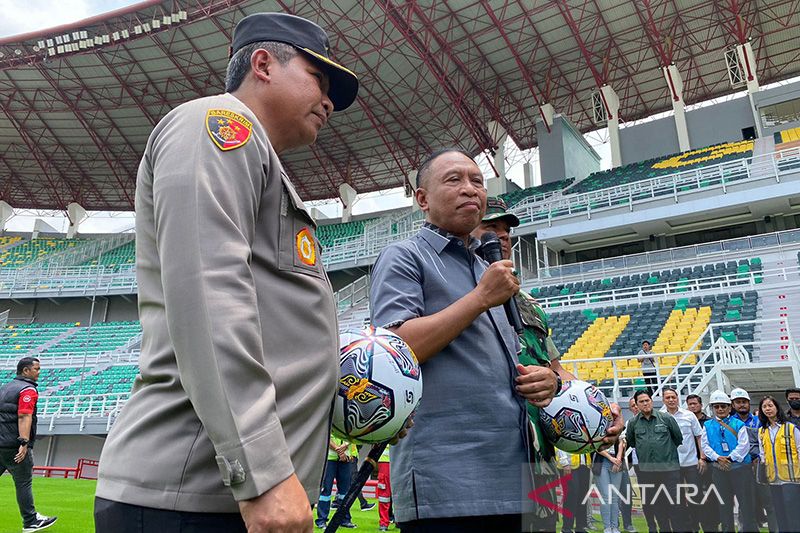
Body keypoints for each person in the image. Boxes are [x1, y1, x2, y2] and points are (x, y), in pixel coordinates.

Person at [94, 13, 359, 533]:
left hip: (224, 497)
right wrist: (260, 474)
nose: (329, 101)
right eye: (317, 79)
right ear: (263, 63)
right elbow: (209, 296)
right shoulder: (217, 124)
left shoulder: (257, 158)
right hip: (194, 498)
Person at [369, 148, 622, 532]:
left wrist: (556, 387)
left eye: (477, 181)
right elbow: (394, 350)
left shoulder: (493, 274)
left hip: (523, 483)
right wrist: (481, 298)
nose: (470, 189)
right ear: (422, 198)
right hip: (450, 487)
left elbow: (528, 366)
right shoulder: (405, 257)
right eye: (454, 179)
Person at [472, 197, 579, 531]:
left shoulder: (529, 303)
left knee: (544, 527)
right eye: (491, 228)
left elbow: (558, 368)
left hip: (539, 454)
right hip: (485, 453)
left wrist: (595, 404)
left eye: (506, 231)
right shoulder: (453, 295)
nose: (502, 237)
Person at [0, 357, 58, 532]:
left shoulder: (5, 388)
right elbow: (24, 416)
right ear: (26, 371)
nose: (39, 372)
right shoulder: (28, 390)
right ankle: (30, 520)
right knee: (23, 482)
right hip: (14, 446)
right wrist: (24, 442)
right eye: (37, 369)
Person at [700, 390, 758, 533]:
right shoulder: (707, 425)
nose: (720, 409)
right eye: (717, 406)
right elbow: (705, 446)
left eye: (723, 406)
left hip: (740, 468)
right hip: (719, 469)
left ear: (729, 407)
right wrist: (717, 458)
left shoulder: (738, 424)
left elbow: (744, 445)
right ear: (712, 408)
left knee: (746, 504)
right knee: (724, 505)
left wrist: (730, 458)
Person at [625, 389, 682, 533]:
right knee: (657, 505)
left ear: (652, 401)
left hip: (669, 470)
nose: (645, 404)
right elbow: (632, 442)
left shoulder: (666, 418)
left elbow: (678, 439)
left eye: (647, 400)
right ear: (636, 405)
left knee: (674, 504)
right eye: (641, 402)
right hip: (647, 472)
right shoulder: (632, 423)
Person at [660, 387, 705, 533]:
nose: (671, 400)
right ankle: (684, 528)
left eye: (673, 397)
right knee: (676, 500)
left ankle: (697, 525)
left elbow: (699, 436)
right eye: (668, 398)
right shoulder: (660, 417)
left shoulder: (689, 415)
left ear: (677, 398)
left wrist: (701, 458)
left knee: (695, 497)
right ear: (663, 400)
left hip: (691, 463)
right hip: (671, 466)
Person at [731, 387, 776, 531]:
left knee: (768, 501)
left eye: (744, 401)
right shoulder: (730, 422)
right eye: (738, 402)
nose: (741, 405)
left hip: (760, 465)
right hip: (740, 467)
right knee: (745, 503)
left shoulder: (760, 421)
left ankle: (775, 529)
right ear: (733, 405)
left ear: (749, 403)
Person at [757, 395, 800, 532]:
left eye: (770, 405)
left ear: (777, 407)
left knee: (793, 513)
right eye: (764, 406)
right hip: (773, 479)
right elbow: (762, 453)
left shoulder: (791, 428)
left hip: (792, 478)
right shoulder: (762, 431)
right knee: (779, 512)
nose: (767, 409)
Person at [686, 393, 718, 533]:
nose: (692, 406)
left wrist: (705, 458)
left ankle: (711, 525)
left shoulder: (710, 422)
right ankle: (694, 525)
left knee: (711, 496)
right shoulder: (686, 422)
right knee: (694, 496)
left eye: (695, 403)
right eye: (690, 404)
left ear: (701, 405)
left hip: (709, 463)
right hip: (692, 464)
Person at [315, 435, 357, 529]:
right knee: (326, 490)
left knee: (344, 492)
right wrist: (339, 450)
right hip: (330, 458)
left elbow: (352, 435)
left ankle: (345, 519)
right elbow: (326, 436)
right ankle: (322, 520)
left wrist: (345, 445)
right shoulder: (328, 420)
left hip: (345, 458)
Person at [593, 439, 625, 533]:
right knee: (606, 496)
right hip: (602, 462)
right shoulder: (599, 426)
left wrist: (618, 460)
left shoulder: (618, 426)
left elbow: (621, 441)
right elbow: (596, 446)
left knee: (615, 497)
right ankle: (607, 526)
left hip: (617, 462)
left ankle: (615, 526)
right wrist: (611, 458)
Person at [556, 450, 591, 533]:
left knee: (582, 497)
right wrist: (565, 463)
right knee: (571, 496)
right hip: (569, 465)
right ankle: (566, 528)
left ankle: (580, 527)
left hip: (584, 464)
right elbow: (559, 445)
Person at [377, 446, 392, 532]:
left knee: (402, 491)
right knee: (384, 494)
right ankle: (384, 523)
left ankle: (402, 520)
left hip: (400, 458)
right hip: (385, 460)